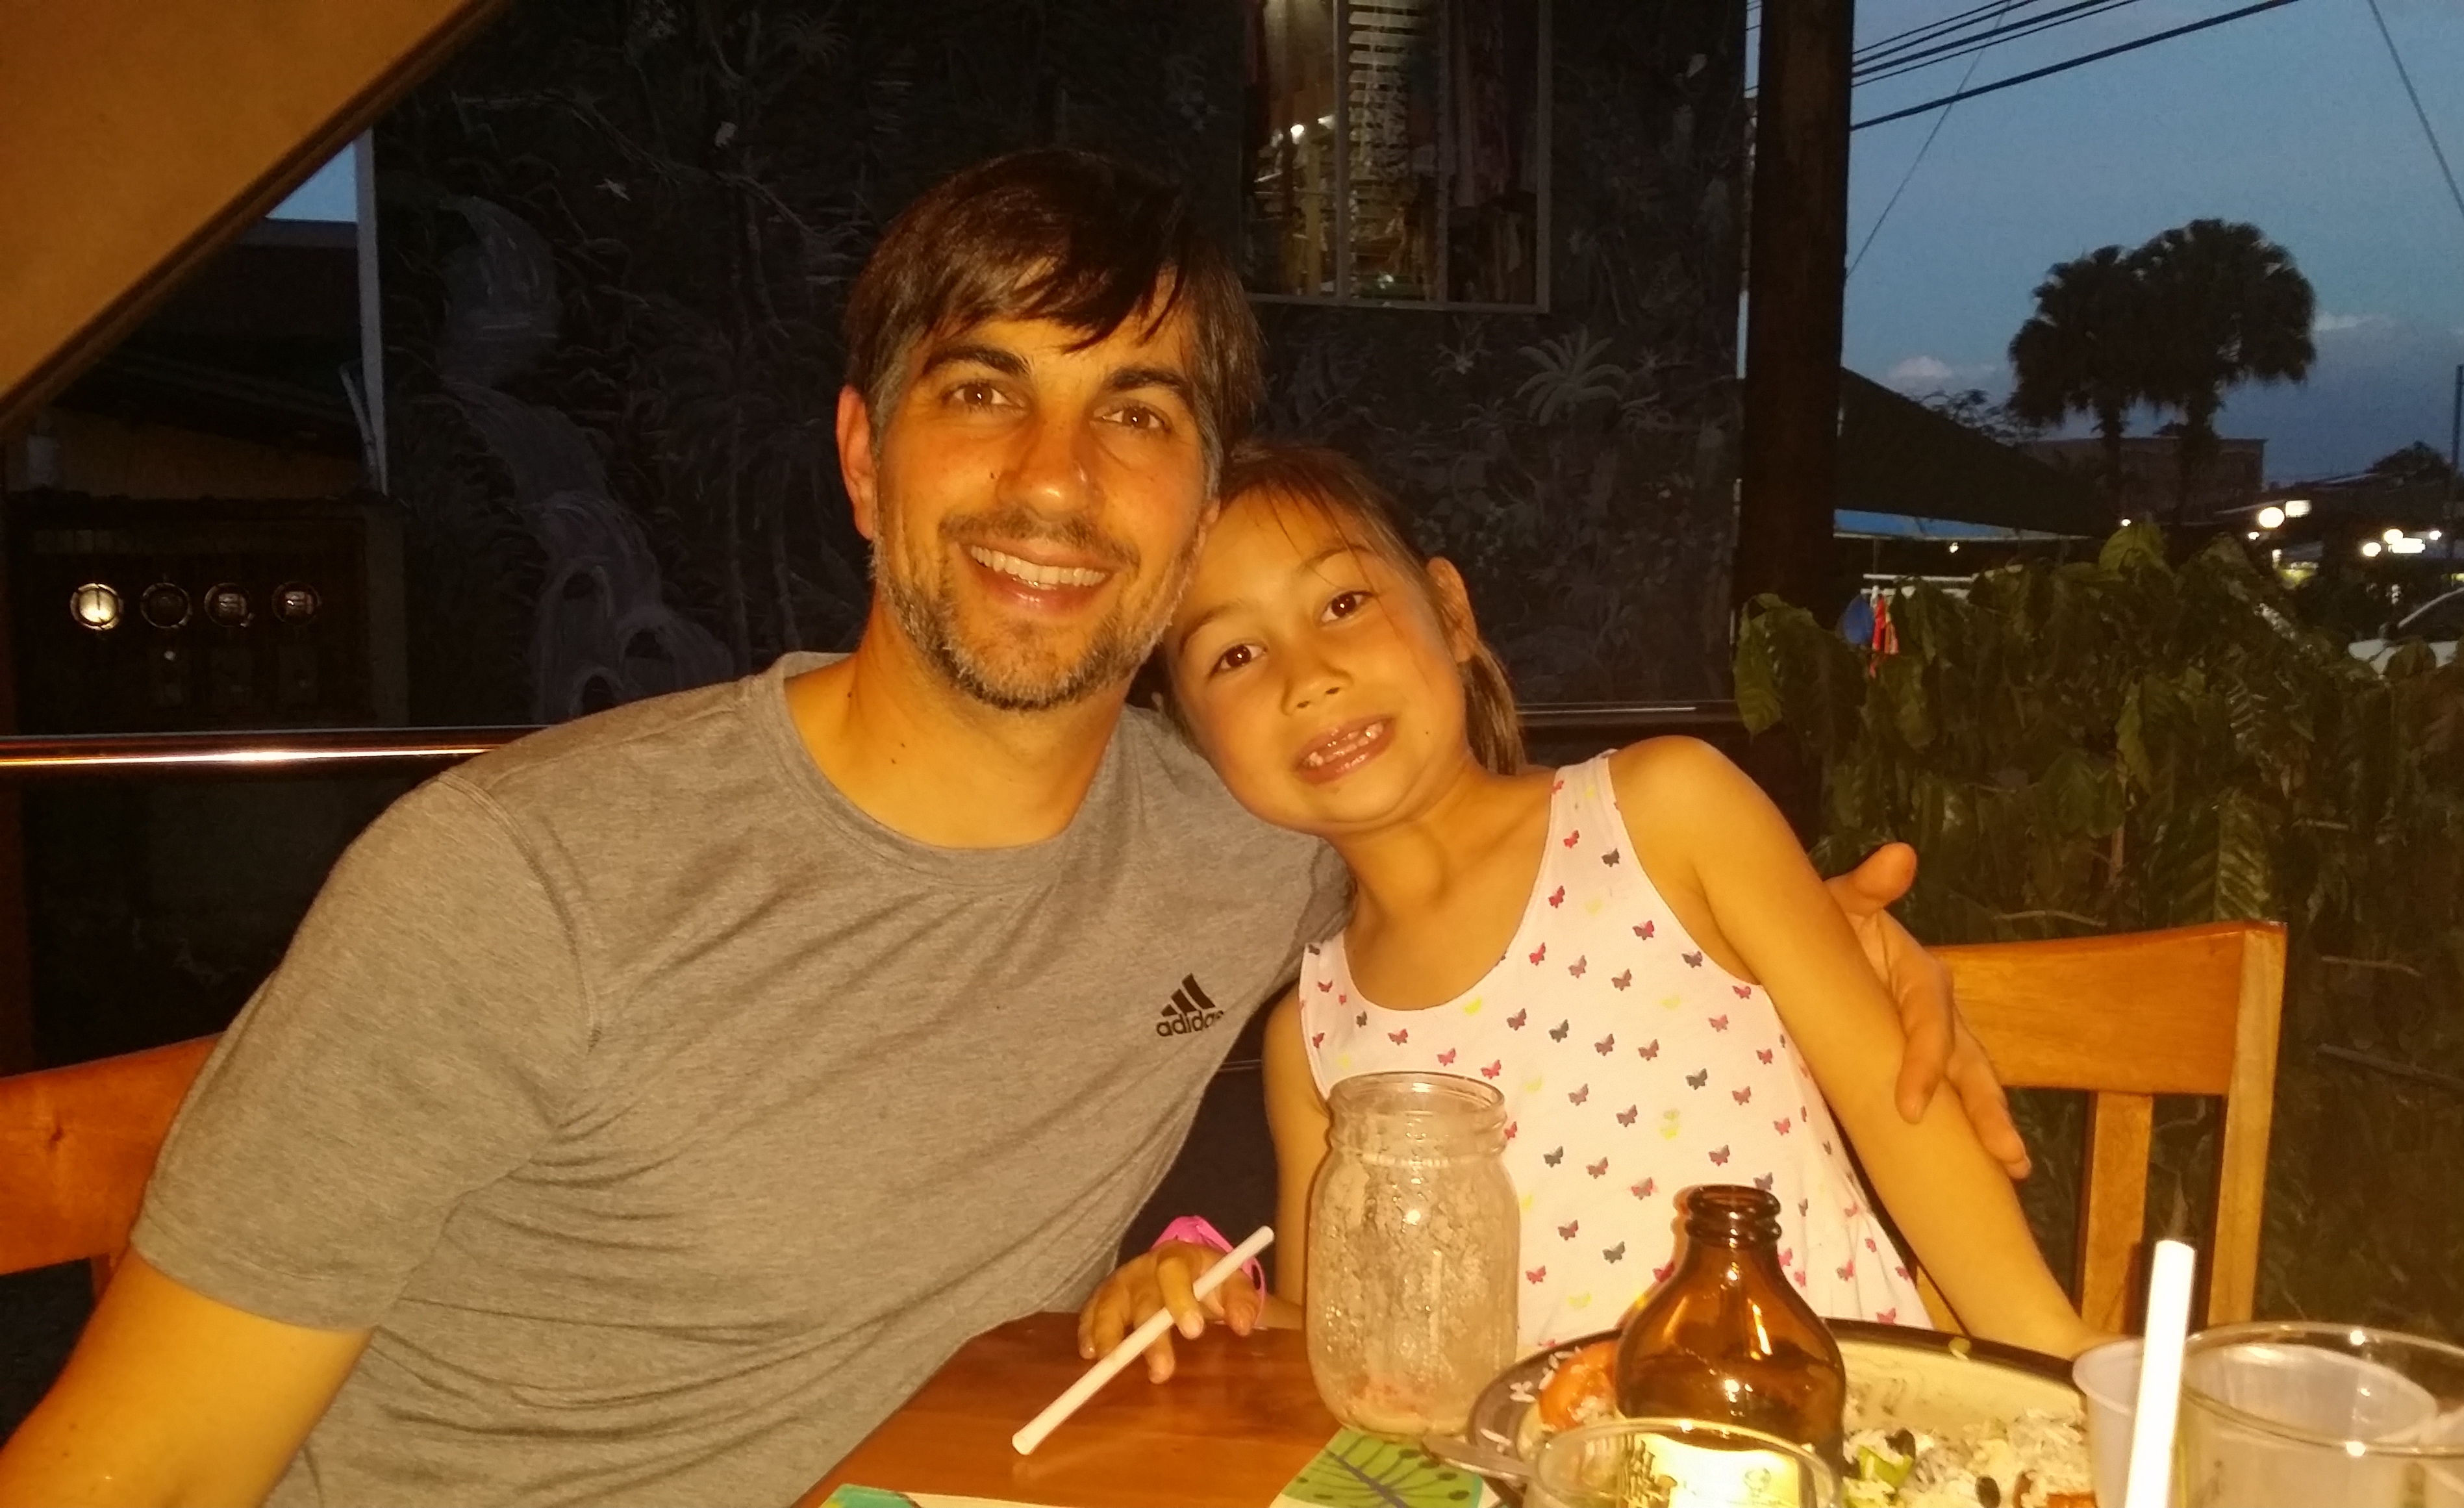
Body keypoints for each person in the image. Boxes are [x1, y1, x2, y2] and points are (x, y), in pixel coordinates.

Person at [0, 150, 2018, 1507]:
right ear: (864, 460)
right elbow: (135, 1469)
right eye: (985, 392)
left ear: (1196, 497)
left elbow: (1521, 895)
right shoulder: (513, 882)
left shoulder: (1247, 835)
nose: (1059, 477)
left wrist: (1820, 954)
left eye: (1137, 411)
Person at [1079, 445, 2096, 1374]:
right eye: (1235, 656)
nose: (1309, 677)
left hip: (1820, 1429)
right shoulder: (1311, 1040)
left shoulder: (1668, 808)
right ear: (1196, 739)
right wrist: (1209, 1288)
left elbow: (1895, 1099)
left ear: (1452, 613)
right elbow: (1346, 1336)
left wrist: (2057, 1356)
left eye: (1342, 603)